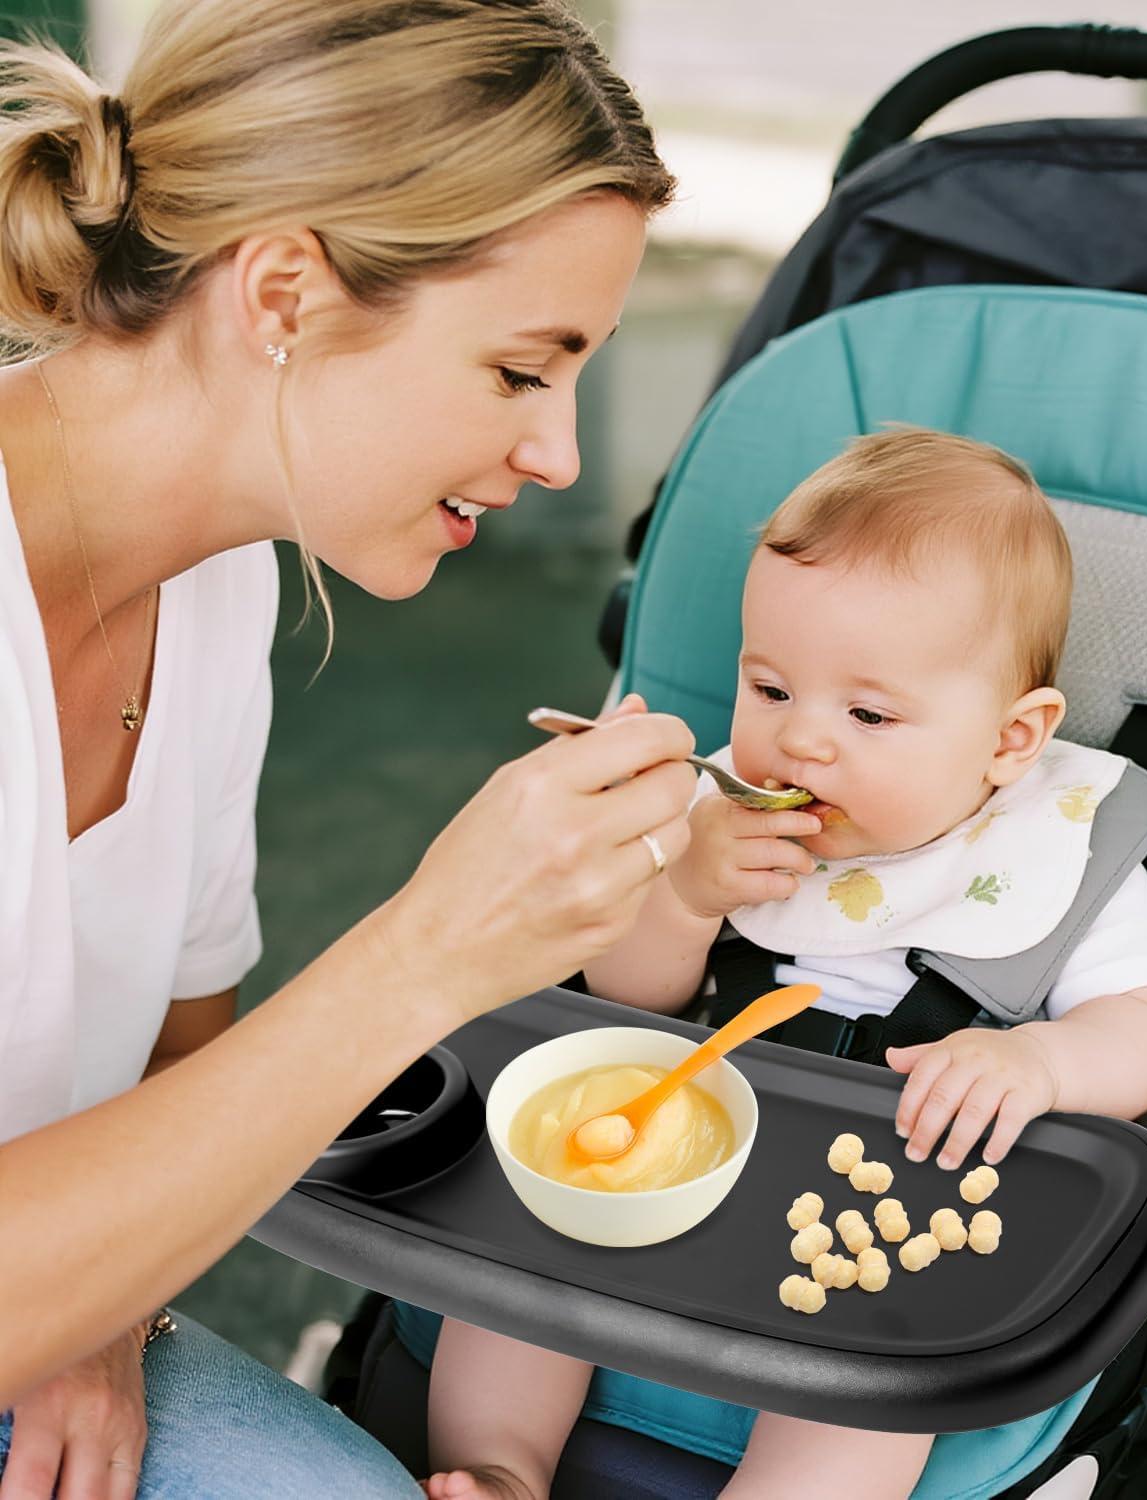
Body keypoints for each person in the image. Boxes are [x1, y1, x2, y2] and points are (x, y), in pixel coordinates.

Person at [0, 2, 700, 1496]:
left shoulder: (221, 579)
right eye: (522, 370)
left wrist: (99, 1297)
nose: (560, 454)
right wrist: (431, 952)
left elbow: (178, 1052)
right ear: (285, 297)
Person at [421, 428, 1147, 1500]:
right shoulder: (715, 809)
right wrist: (685, 892)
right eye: (771, 688)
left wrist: (1043, 1067)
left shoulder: (1056, 858)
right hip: (681, 1145)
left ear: (1013, 742)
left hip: (882, 1201)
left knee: (870, 1387)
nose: (801, 744)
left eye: (867, 713)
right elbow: (632, 999)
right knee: (530, 1260)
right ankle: (499, 1468)